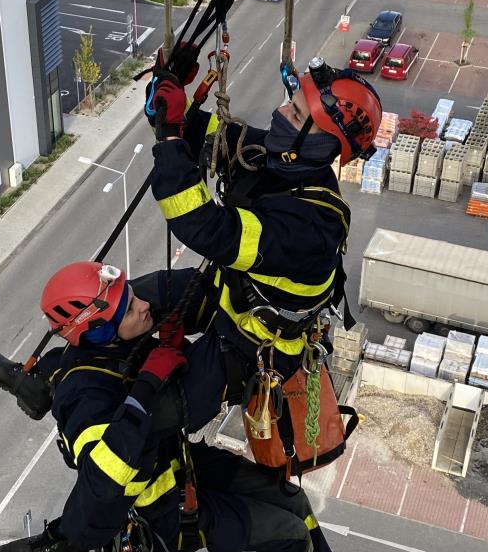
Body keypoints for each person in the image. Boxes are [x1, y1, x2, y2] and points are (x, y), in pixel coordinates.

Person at [0, 259, 398, 552]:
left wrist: (28, 382)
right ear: (96, 331)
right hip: (163, 510)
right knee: (288, 536)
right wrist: (146, 387)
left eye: (134, 298)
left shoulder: (101, 345)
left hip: (182, 466)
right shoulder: (85, 395)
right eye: (130, 309)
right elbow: (106, 476)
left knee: (292, 498)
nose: (144, 306)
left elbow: (58, 364)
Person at [142, 57, 382, 431]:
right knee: (125, 302)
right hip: (232, 295)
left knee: (158, 418)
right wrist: (170, 94)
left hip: (255, 345)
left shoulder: (311, 228)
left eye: (296, 114)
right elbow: (209, 135)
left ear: (321, 145)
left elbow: (204, 226)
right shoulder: (282, 158)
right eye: (291, 101)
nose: (280, 111)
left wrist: (170, 137)